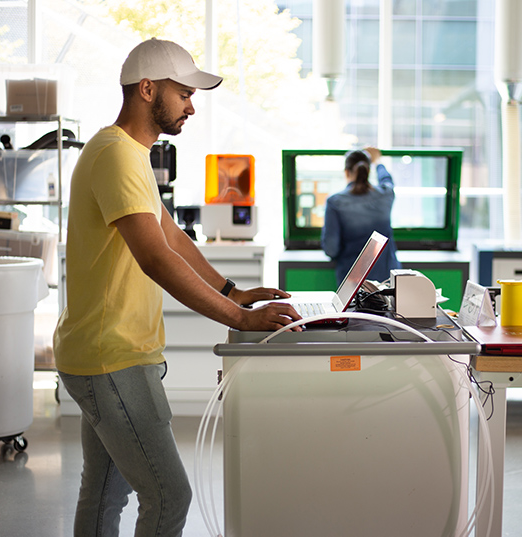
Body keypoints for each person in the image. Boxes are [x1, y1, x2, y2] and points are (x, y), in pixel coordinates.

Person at [53, 38, 302, 537]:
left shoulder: (128, 153)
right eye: (184, 94)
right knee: (169, 497)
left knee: (103, 494)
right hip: (112, 358)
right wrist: (240, 318)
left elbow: (170, 235)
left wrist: (230, 290)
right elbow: (154, 258)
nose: (191, 106)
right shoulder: (117, 155)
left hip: (105, 355)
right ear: (148, 89)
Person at [321, 147, 401, 284]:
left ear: (347, 172)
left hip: (354, 282)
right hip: (388, 280)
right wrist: (378, 162)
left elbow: (331, 249)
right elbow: (387, 180)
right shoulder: (385, 194)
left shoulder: (335, 202)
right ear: (368, 171)